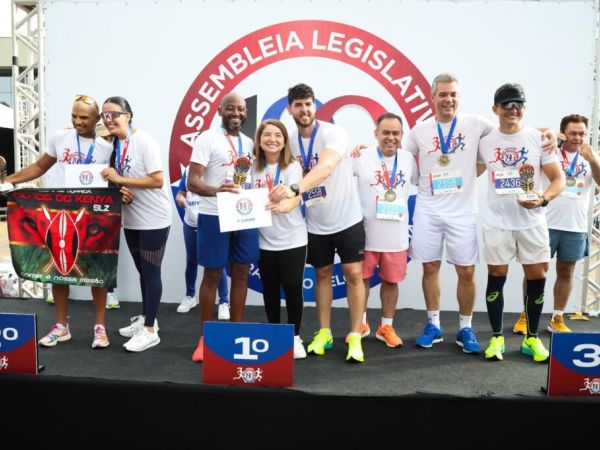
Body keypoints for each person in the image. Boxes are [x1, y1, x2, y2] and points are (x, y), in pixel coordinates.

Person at [404, 73, 556, 354]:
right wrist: (365, 149)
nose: (448, 99)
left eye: (453, 95)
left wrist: (548, 132)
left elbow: (513, 127)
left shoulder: (476, 125)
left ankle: (465, 327)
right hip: (428, 208)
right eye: (443, 94)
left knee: (466, 270)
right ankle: (433, 324)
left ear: (459, 98)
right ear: (433, 97)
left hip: (462, 211)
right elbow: (398, 156)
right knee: (430, 267)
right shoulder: (420, 130)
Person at [2, 94, 133, 349]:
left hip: (93, 215)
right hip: (60, 212)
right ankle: (61, 326)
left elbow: (115, 181)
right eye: (74, 116)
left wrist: (123, 191)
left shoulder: (109, 147)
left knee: (97, 270)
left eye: (83, 117)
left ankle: (100, 327)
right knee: (58, 271)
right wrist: (10, 181)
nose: (77, 121)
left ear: (97, 119)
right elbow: (40, 167)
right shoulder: (59, 138)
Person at [269, 83, 367, 363]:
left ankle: (355, 335)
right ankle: (324, 331)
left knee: (353, 275)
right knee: (322, 275)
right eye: (298, 105)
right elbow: (270, 165)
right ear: (290, 109)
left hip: (347, 217)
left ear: (315, 106)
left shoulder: (333, 132)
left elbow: (325, 167)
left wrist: (295, 190)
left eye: (308, 104)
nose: (304, 109)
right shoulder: (286, 138)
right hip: (315, 222)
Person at [478, 83, 564, 362]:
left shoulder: (539, 139)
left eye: (518, 104)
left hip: (531, 221)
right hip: (497, 222)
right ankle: (496, 338)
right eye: (507, 104)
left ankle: (531, 338)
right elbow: (460, 165)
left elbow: (558, 179)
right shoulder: (486, 140)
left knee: (537, 278)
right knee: (496, 277)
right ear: (495, 109)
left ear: (524, 108)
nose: (513, 108)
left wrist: (544, 199)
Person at [513, 114, 600, 334]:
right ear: (563, 132)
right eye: (572, 133)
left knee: (567, 271)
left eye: (582, 133)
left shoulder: (590, 157)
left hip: (576, 226)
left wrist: (593, 160)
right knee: (534, 272)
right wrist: (549, 131)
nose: (577, 138)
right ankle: (526, 314)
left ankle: (557, 318)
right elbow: (524, 132)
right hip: (545, 222)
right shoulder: (550, 150)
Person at [187, 92, 258, 362]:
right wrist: (218, 191)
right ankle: (207, 339)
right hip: (214, 214)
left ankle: (235, 335)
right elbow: (193, 182)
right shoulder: (207, 138)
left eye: (241, 109)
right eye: (231, 109)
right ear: (220, 111)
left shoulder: (250, 143)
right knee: (213, 275)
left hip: (244, 214)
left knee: (241, 273)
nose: (236, 113)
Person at [101, 96, 172, 352]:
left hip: (154, 218)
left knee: (151, 272)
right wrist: (121, 187)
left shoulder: (144, 141)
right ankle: (145, 318)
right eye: (105, 115)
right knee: (143, 270)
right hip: (131, 218)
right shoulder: (116, 146)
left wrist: (122, 179)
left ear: (128, 115)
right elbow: (123, 182)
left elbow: (157, 180)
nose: (109, 120)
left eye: (114, 114)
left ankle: (151, 330)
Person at [353, 113, 417, 347]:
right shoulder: (361, 156)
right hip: (366, 233)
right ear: (376, 134)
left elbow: (421, 182)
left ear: (402, 135)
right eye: (386, 132)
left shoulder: (409, 158)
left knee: (391, 282)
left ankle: (386, 326)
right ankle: (360, 322)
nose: (391, 137)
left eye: (396, 133)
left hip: (396, 234)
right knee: (362, 281)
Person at [254, 119, 308, 359]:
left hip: (293, 238)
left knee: (294, 287)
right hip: (264, 239)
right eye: (267, 135)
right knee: (270, 290)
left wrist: (290, 203)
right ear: (259, 140)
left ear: (285, 141)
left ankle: (295, 336)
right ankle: (275, 333)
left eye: (278, 135)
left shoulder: (293, 168)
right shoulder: (250, 168)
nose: (272, 139)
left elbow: (300, 196)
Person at [175, 169, 230, 318]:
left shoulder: (219, 168)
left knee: (216, 264)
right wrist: (179, 198)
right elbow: (181, 193)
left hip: (211, 221)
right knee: (191, 260)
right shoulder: (189, 169)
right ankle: (190, 296)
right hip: (191, 222)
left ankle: (224, 302)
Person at [95, 123, 121, 310]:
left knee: (107, 251)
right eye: (102, 138)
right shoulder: (89, 154)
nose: (106, 141)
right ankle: (64, 286)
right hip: (84, 205)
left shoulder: (118, 156)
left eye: (108, 137)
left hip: (108, 207)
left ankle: (110, 291)